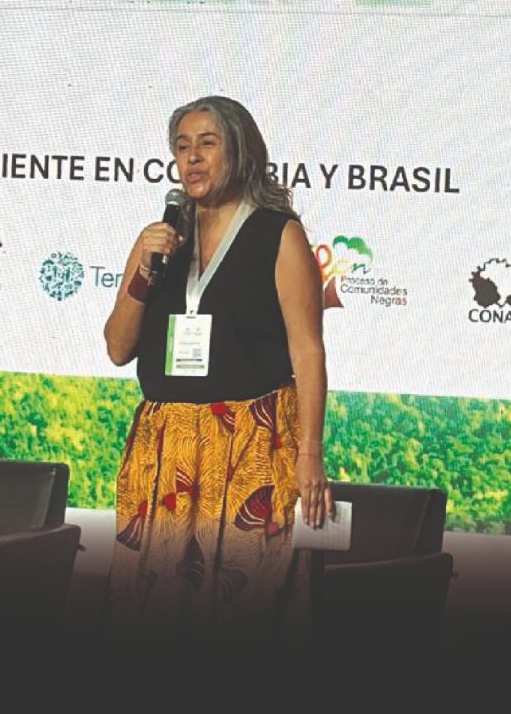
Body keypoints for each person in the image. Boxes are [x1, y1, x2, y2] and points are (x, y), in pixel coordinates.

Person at [101, 95, 333, 662]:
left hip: (252, 440)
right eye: (182, 147)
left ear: (240, 152)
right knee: (154, 608)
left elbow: (308, 350)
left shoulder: (278, 235)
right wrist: (143, 270)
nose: (192, 158)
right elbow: (118, 347)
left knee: (244, 605)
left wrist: (310, 453)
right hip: (166, 445)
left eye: (207, 144)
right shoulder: (160, 240)